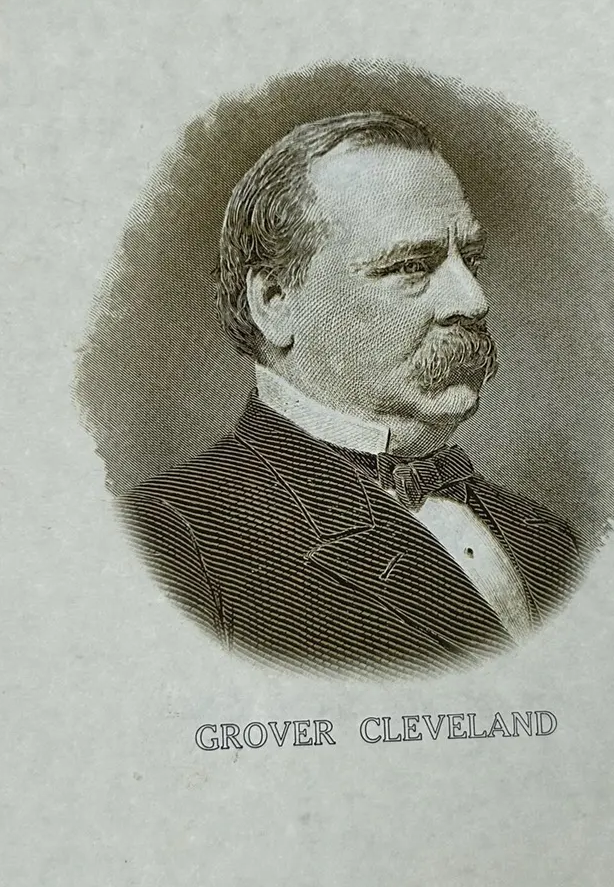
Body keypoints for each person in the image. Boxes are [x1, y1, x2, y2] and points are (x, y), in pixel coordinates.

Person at [121, 111, 579, 668]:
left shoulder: (550, 541)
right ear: (274, 302)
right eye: (412, 266)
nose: (473, 300)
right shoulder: (172, 539)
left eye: (471, 260)